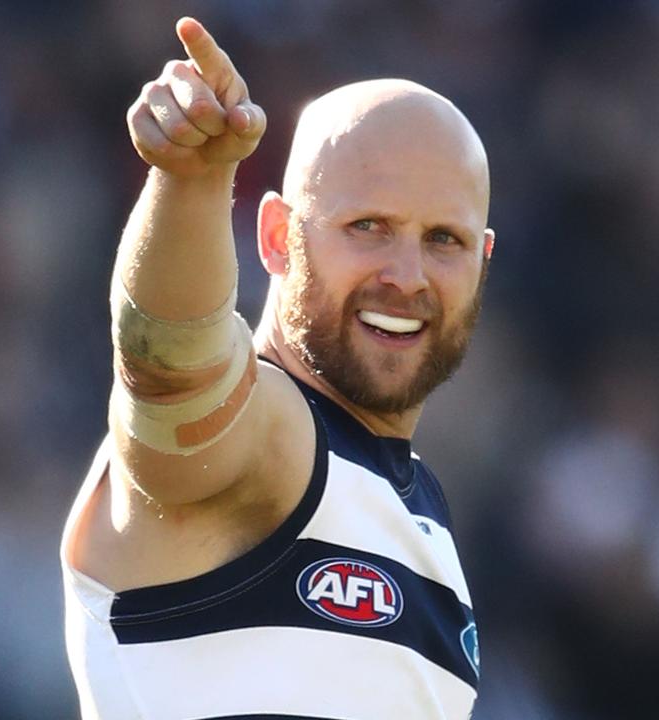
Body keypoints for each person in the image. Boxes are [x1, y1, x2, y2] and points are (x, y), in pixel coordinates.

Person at [61, 16, 495, 719]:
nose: (407, 276)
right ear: (275, 238)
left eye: (444, 240)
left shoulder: (424, 514)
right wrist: (192, 183)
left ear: (482, 264)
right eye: (368, 227)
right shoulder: (265, 437)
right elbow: (172, 369)